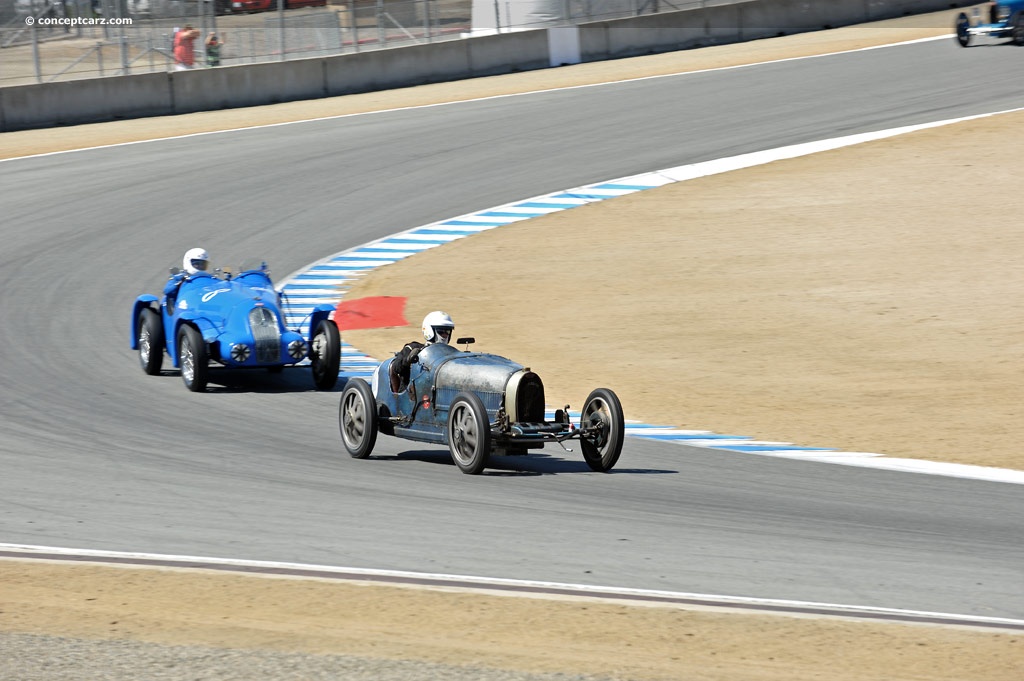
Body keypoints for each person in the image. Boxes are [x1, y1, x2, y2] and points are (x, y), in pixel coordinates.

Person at [389, 311, 455, 393]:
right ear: (429, 331)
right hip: (412, 396)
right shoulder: (412, 348)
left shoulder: (449, 353)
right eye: (441, 331)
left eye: (447, 332)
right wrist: (408, 360)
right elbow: (396, 367)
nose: (445, 335)